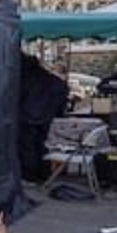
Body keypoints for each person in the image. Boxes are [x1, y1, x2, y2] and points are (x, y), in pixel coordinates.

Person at [18, 52, 71, 181]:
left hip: (27, 118)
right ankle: (42, 174)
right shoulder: (49, 78)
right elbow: (63, 90)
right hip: (46, 118)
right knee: (40, 146)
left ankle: (30, 175)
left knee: (27, 147)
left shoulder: (26, 78)